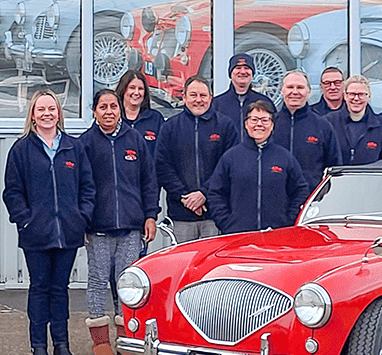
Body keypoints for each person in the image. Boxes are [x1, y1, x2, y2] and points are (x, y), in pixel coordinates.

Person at [2, 90, 95, 355]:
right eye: (41, 109)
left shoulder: (74, 148)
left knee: (60, 289)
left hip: (67, 232)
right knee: (40, 288)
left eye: (51, 109)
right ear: (32, 114)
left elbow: (87, 187)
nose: (46, 114)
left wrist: (81, 218)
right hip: (36, 234)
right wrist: (25, 219)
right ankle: (39, 346)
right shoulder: (21, 149)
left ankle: (61, 345)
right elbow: (13, 192)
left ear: (58, 113)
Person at [78, 89, 160, 355]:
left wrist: (150, 215)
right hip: (98, 228)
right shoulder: (85, 144)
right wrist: (83, 221)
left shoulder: (134, 140)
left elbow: (149, 181)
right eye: (103, 107)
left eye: (113, 106)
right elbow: (79, 186)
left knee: (127, 284)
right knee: (99, 280)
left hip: (130, 227)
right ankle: (100, 340)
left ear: (120, 109)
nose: (109, 111)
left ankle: (127, 338)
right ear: (94, 112)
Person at [154, 77, 240, 242]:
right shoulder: (170, 127)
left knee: (213, 267)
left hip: (215, 215)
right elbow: (162, 166)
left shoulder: (226, 126)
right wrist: (184, 197)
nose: (198, 100)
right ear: (184, 97)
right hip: (181, 216)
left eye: (203, 95)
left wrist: (204, 194)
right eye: (193, 95)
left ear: (210, 97)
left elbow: (229, 167)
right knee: (181, 266)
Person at [207, 101, 311, 234]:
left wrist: (288, 221)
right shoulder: (231, 157)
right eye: (254, 119)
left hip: (276, 235)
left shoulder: (285, 157)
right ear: (246, 124)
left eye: (265, 120)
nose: (259, 124)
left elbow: (300, 191)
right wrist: (227, 223)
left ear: (272, 125)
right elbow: (216, 193)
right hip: (238, 234)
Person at [273, 70, 341, 191]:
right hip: (276, 199)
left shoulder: (323, 126)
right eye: (290, 87)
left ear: (308, 91)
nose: (295, 92)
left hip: (311, 200)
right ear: (282, 90)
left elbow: (334, 168)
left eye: (300, 87)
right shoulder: (270, 124)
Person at [327, 75, 382, 165]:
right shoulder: (329, 122)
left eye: (361, 94)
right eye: (352, 94)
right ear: (345, 96)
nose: (356, 99)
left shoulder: (380, 125)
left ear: (368, 96)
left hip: (370, 178)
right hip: (337, 178)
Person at [213, 53, 272, 127]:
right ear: (231, 73)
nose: (243, 72)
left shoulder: (265, 102)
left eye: (247, 68)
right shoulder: (216, 104)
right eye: (238, 68)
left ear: (252, 73)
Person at [117, 69, 165, 146]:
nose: (136, 93)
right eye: (132, 88)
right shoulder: (113, 118)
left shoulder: (156, 119)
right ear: (123, 89)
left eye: (140, 89)